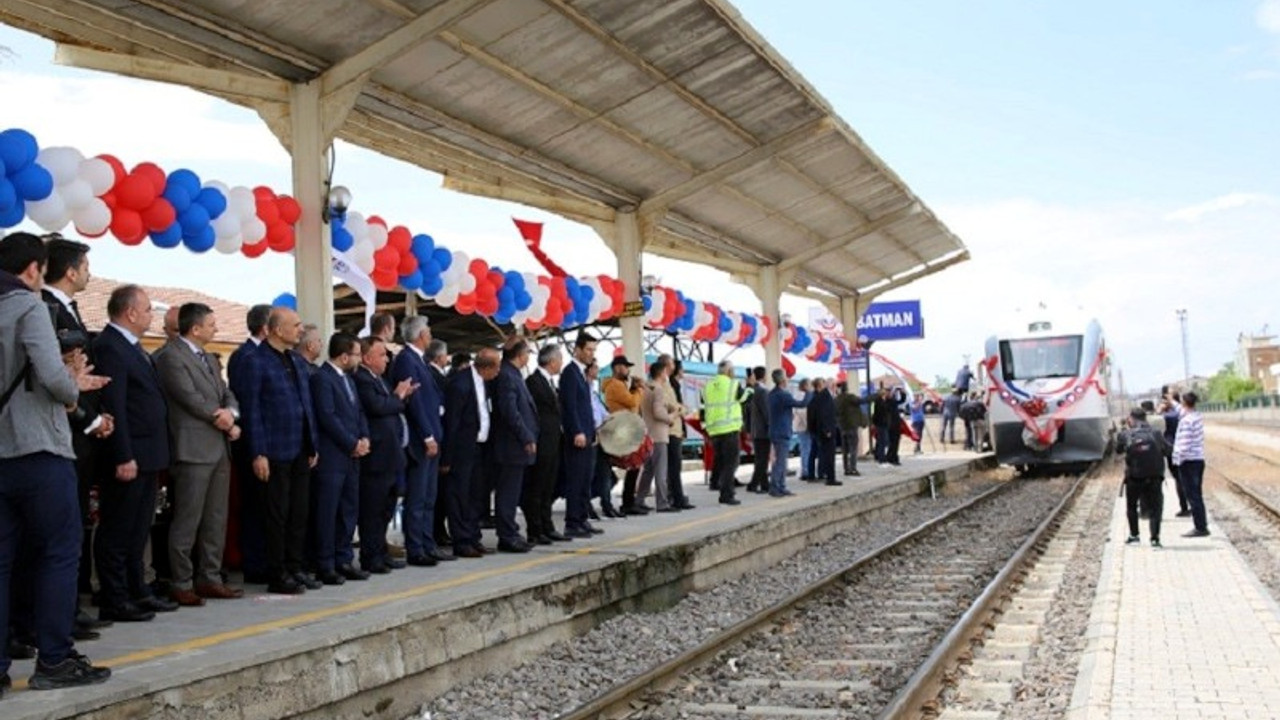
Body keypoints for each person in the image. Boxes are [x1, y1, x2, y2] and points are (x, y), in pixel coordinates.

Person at [0, 232, 111, 691]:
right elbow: (53, 378)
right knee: (59, 553)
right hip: (38, 449)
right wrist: (73, 385)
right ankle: (54, 659)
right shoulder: (30, 307)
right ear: (33, 270)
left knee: (3, 561)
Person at [39, 236, 112, 638]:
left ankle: (69, 607)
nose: (89, 273)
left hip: (80, 428)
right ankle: (53, 617)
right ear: (70, 270)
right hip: (61, 430)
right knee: (57, 531)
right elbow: (57, 380)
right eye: (85, 265)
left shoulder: (67, 309)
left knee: (75, 522)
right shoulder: (46, 311)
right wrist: (88, 419)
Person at [92, 285, 179, 621]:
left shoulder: (134, 347)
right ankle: (115, 598)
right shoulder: (111, 346)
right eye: (146, 310)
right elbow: (116, 406)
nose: (150, 316)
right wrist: (122, 454)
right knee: (118, 529)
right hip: (130, 455)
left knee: (138, 529)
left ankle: (137, 590)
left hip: (148, 452)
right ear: (129, 312)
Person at [154, 302, 243, 606]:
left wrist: (230, 413)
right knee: (188, 518)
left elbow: (225, 391)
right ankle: (181, 581)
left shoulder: (208, 357)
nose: (215, 329)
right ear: (195, 328)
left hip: (218, 447)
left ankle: (210, 577)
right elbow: (187, 396)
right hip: (192, 448)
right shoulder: (170, 357)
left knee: (215, 517)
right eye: (211, 324)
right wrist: (219, 417)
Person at [238, 308, 321, 595]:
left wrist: (312, 444)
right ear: (276, 330)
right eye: (295, 325)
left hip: (300, 448)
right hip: (274, 449)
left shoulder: (296, 360)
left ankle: (295, 567)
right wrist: (258, 452)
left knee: (299, 513)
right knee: (277, 514)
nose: (300, 330)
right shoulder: (254, 360)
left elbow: (305, 405)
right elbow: (252, 410)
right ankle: (278, 573)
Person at [310, 333, 371, 585]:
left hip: (352, 458)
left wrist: (364, 437)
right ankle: (325, 563)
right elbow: (327, 416)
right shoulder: (322, 379)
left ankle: (344, 558)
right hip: (334, 457)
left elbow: (358, 412)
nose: (359, 359)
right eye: (357, 354)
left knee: (348, 509)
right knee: (328, 511)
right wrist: (351, 442)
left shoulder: (349, 379)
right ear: (344, 356)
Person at [392, 316, 452, 565]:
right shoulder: (406, 360)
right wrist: (427, 435)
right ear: (419, 335)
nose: (430, 334)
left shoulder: (419, 360)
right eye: (427, 330)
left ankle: (428, 543)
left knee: (429, 496)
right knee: (417, 498)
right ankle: (416, 547)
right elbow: (414, 403)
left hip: (432, 435)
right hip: (420, 440)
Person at [353, 336, 413, 573]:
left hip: (390, 455)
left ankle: (380, 552)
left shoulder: (380, 380)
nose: (386, 359)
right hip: (376, 457)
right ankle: (371, 557)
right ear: (367, 358)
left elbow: (392, 406)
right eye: (381, 355)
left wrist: (398, 398)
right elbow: (379, 407)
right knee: (372, 511)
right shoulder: (362, 379)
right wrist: (398, 397)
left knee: (386, 509)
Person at [227, 303, 272, 584]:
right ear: (267, 328)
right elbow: (250, 404)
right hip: (253, 441)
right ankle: (254, 563)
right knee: (255, 506)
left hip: (269, 441)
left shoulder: (265, 355)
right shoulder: (247, 356)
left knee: (267, 506)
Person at [441, 347, 500, 558]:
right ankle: (462, 540)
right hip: (461, 449)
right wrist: (447, 456)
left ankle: (473, 536)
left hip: (480, 447)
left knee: (476, 494)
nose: (498, 372)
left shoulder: (485, 383)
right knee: (459, 495)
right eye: (497, 367)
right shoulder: (460, 383)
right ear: (487, 367)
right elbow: (452, 422)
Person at [490, 341, 538, 552]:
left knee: (513, 491)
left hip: (515, 446)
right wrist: (526, 436)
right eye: (527, 352)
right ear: (520, 354)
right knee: (508, 492)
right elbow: (510, 411)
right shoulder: (507, 376)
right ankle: (507, 535)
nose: (529, 356)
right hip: (511, 446)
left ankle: (511, 531)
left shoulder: (514, 374)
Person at [524, 344, 568, 544]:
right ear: (551, 361)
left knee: (549, 486)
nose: (561, 363)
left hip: (554, 441)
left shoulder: (551, 383)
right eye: (559, 359)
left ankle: (547, 524)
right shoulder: (534, 382)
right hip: (541, 442)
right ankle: (535, 529)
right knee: (537, 486)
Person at [561, 333, 604, 535]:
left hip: (588, 434)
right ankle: (572, 522)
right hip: (577, 437)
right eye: (588, 350)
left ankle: (582, 518)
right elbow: (569, 407)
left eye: (593, 350)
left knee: (586, 479)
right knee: (576, 480)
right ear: (577, 350)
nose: (591, 354)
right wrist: (577, 430)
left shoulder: (581, 374)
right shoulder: (569, 373)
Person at [1117, 408, 1166, 547]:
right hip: (1155, 476)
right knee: (1156, 508)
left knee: (1131, 506)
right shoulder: (1156, 433)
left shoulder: (1126, 434)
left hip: (1134, 476)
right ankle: (1155, 539)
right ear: (1145, 418)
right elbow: (1168, 450)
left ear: (1131, 419)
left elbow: (1118, 450)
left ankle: (1134, 536)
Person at [603, 356, 645, 514]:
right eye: (626, 367)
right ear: (618, 368)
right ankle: (628, 502)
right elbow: (632, 403)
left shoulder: (619, 385)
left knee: (634, 466)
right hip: (622, 428)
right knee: (634, 464)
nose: (628, 370)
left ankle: (629, 501)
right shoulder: (616, 385)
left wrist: (633, 389)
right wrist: (639, 389)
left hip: (624, 426)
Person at [703, 360, 745, 505]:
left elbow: (703, 409)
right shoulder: (733, 384)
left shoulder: (707, 386)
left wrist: (706, 430)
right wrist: (751, 388)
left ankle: (717, 484)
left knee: (720, 461)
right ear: (729, 371)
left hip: (714, 431)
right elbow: (745, 398)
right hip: (730, 429)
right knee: (730, 464)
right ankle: (726, 494)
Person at [638, 355, 676, 512]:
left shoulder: (646, 388)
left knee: (648, 470)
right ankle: (662, 503)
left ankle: (639, 500)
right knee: (660, 470)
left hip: (648, 434)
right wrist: (671, 418)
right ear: (662, 373)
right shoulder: (659, 389)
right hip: (659, 434)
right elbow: (658, 413)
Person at [425, 339, 452, 547]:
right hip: (438, 437)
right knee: (436, 491)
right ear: (439, 357)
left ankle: (438, 530)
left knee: (439, 491)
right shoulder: (434, 376)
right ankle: (435, 531)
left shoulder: (439, 375)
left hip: (440, 436)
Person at [586, 361, 622, 518]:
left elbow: (602, 413)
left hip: (603, 438)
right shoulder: (584, 390)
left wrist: (611, 420)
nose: (597, 370)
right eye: (595, 368)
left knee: (605, 472)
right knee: (590, 474)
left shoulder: (593, 392)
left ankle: (606, 504)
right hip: (592, 437)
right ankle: (587, 506)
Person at [768, 369, 811, 497]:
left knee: (781, 461)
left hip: (775, 430)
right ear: (782, 380)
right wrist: (808, 392)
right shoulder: (783, 395)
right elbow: (802, 404)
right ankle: (776, 487)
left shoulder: (771, 394)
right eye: (786, 377)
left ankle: (781, 486)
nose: (788, 380)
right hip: (782, 431)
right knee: (781, 462)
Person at [1171, 391, 1208, 538]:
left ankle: (1200, 528)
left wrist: (1176, 459)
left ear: (1185, 403)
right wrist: (1172, 401)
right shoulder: (1196, 416)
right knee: (1197, 494)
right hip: (1198, 460)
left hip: (1188, 462)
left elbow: (1184, 445)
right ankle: (1202, 525)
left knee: (1193, 496)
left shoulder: (1186, 421)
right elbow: (1181, 409)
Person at [666, 361, 694, 511]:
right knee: (674, 467)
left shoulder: (671, 384)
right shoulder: (672, 385)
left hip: (674, 429)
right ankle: (677, 497)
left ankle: (674, 495)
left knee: (672, 467)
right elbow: (677, 408)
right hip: (673, 430)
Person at [807, 378, 840, 485]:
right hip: (827, 430)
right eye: (834, 385)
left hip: (822, 430)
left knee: (825, 454)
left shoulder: (822, 396)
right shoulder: (825, 397)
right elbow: (824, 414)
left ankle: (827, 475)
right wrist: (827, 430)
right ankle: (831, 478)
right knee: (829, 454)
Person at [1160, 394, 1189, 517]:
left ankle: (1184, 508)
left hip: (1172, 449)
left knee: (1178, 478)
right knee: (1186, 478)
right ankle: (1189, 506)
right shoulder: (1183, 414)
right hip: (1185, 447)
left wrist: (1159, 411)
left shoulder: (1167, 416)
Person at [746, 366, 770, 494]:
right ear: (764, 376)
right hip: (763, 431)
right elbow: (767, 412)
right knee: (762, 459)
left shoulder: (753, 390)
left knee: (760, 458)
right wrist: (771, 427)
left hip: (755, 430)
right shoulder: (763, 391)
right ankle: (754, 484)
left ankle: (763, 484)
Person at [834, 381, 865, 476]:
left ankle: (846, 469)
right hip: (851, 426)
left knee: (845, 449)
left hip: (842, 427)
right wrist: (877, 395)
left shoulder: (836, 399)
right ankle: (853, 468)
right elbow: (862, 401)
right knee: (853, 448)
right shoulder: (850, 397)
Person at [793, 378, 814, 480]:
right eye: (810, 385)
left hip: (801, 426)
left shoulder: (798, 395)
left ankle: (805, 470)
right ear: (805, 386)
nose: (811, 387)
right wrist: (808, 424)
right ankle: (806, 471)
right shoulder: (802, 396)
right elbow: (802, 412)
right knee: (806, 449)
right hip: (804, 426)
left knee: (805, 448)